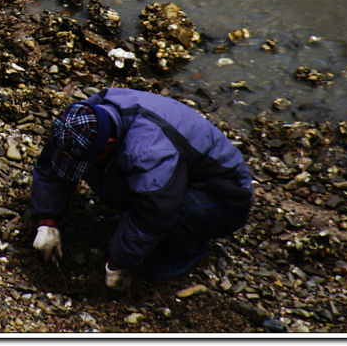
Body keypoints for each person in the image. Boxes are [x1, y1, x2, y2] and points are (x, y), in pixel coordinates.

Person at [30, 88, 253, 287]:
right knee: (114, 181)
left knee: (157, 211)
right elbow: (53, 159)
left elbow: (155, 211)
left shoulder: (149, 152)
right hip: (172, 175)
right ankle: (134, 231)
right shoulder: (82, 118)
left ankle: (189, 252)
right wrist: (47, 221)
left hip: (223, 198)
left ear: (108, 145)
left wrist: (117, 262)